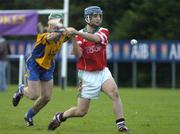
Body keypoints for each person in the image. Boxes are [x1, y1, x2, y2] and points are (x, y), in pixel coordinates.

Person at [48, 6, 129, 132]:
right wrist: (74, 38)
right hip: (87, 75)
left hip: (102, 71)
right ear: (87, 18)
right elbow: (77, 54)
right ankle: (61, 116)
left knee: (114, 93)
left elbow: (96, 39)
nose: (98, 18)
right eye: (95, 16)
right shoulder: (79, 35)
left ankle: (121, 124)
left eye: (99, 16)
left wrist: (77, 33)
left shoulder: (103, 31)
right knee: (81, 111)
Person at [12, 12, 71, 126]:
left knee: (47, 97)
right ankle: (21, 89)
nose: (56, 25)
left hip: (48, 65)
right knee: (34, 95)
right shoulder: (44, 34)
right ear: (50, 24)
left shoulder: (63, 34)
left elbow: (72, 31)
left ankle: (28, 115)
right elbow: (53, 36)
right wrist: (62, 29)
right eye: (54, 22)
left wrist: (73, 31)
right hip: (35, 64)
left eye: (59, 22)